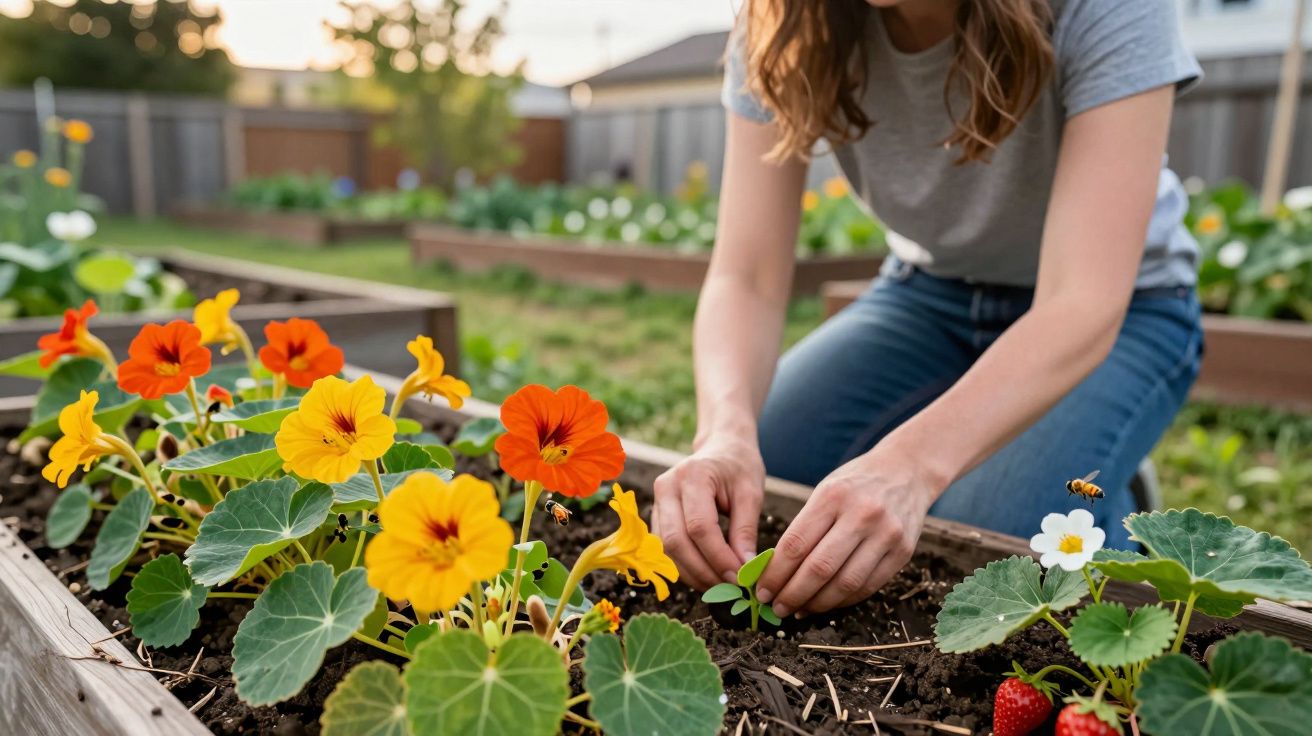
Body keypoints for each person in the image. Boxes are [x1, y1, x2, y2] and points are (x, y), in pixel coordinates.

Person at [651, 0, 1204, 620]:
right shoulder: (781, 21)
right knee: (765, 477)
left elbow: (1083, 300)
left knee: (982, 534)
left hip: (1123, 309)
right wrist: (723, 433)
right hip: (929, 293)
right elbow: (745, 276)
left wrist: (910, 467)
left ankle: (1109, 498)